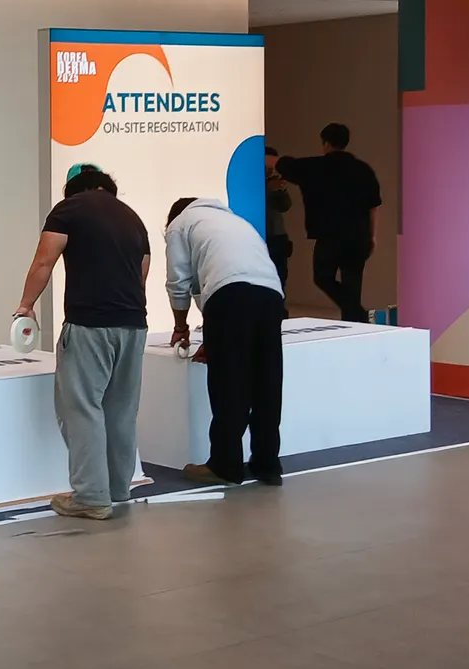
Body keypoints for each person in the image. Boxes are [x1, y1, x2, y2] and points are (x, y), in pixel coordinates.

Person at [13, 164, 150, 520]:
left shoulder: (69, 209)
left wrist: (26, 306)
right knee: (121, 409)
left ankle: (91, 496)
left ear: (73, 189)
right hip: (134, 325)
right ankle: (118, 489)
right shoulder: (132, 218)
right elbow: (142, 274)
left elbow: (44, 261)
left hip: (90, 323)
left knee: (82, 407)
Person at [163, 197, 287, 487]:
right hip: (271, 294)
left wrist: (180, 327)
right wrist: (212, 336)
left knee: (229, 382)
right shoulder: (236, 222)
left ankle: (225, 465)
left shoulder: (180, 225)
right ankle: (267, 463)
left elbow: (180, 282)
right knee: (266, 380)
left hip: (229, 296)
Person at [275, 123, 381, 323]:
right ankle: (356, 322)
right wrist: (372, 235)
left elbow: (285, 164)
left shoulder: (314, 167)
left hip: (329, 236)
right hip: (358, 236)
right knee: (352, 283)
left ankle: (358, 313)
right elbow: (374, 206)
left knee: (322, 276)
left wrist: (270, 159)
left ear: (326, 143)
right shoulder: (363, 169)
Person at [264, 146, 293, 297]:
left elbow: (285, 206)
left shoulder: (275, 181)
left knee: (280, 276)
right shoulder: (249, 183)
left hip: (278, 235)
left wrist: (280, 190)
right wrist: (266, 188)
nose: (270, 170)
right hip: (259, 234)